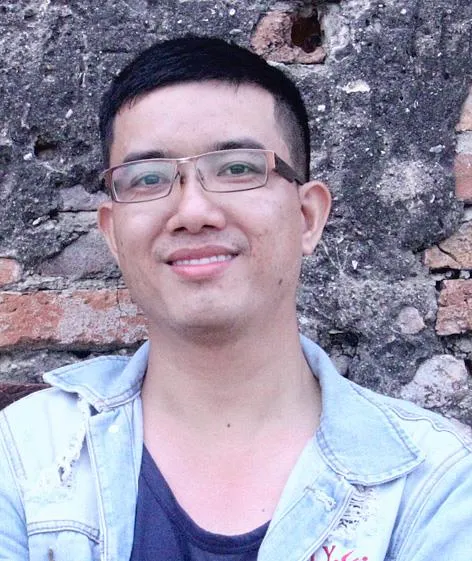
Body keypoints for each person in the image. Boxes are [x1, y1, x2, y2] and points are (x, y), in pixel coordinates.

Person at [1, 36, 471, 561]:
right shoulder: (23, 458)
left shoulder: (436, 486)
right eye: (148, 178)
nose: (193, 212)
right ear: (112, 233)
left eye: (238, 168)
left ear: (307, 217)